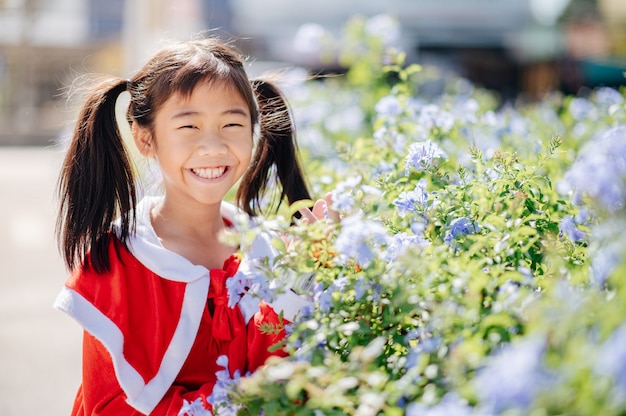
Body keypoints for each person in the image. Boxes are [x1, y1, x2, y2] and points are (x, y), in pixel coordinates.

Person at [53, 36, 334, 415]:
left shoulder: (270, 250)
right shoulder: (120, 261)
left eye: (232, 123)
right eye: (188, 127)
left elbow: (291, 386)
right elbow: (110, 407)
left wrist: (310, 273)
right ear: (145, 138)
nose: (213, 147)